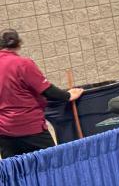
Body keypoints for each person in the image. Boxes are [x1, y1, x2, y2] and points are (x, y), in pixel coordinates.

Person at [0, 29, 84, 158]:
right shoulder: (23, 64)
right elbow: (47, 91)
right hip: (30, 128)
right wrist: (69, 95)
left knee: (15, 169)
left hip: (5, 133)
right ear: (19, 44)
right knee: (52, 164)